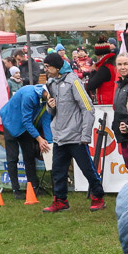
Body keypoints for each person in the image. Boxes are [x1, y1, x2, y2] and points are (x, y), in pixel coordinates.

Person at [43, 52, 105, 213]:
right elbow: (52, 111)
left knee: (87, 169)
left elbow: (88, 107)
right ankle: (60, 201)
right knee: (58, 171)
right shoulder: (51, 83)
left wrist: (85, 135)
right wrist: (50, 106)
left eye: (48, 66)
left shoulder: (74, 81)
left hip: (76, 136)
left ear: (56, 67)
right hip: (59, 137)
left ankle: (98, 197)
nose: (46, 69)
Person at [0, 84, 53, 199]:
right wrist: (39, 139)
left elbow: (46, 121)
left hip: (25, 127)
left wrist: (49, 143)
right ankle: (16, 190)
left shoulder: (46, 102)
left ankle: (34, 188)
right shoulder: (29, 95)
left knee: (29, 156)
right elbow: (26, 121)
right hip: (11, 123)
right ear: (47, 93)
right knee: (13, 157)